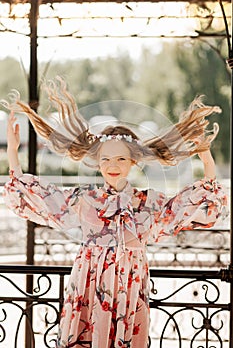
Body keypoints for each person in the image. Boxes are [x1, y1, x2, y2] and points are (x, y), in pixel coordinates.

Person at [1, 77, 228, 348]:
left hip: (129, 288)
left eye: (121, 158)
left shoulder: (148, 203)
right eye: (106, 159)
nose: (113, 165)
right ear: (97, 163)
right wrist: (13, 153)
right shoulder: (85, 199)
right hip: (87, 284)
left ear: (133, 161)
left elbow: (197, 204)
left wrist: (206, 159)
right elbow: (38, 197)